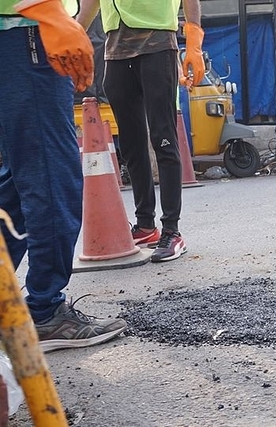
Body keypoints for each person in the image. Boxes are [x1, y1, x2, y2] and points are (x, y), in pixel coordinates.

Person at [0, 0, 127, 351]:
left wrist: (70, 21)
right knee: (50, 178)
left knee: (18, 184)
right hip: (24, 32)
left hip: (21, 33)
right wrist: (49, 12)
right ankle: (44, 312)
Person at [77, 0, 205, 262]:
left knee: (164, 139)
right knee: (132, 145)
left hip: (156, 44)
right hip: (115, 51)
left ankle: (172, 230)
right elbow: (90, 3)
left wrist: (194, 39)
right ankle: (146, 225)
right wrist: (75, 36)